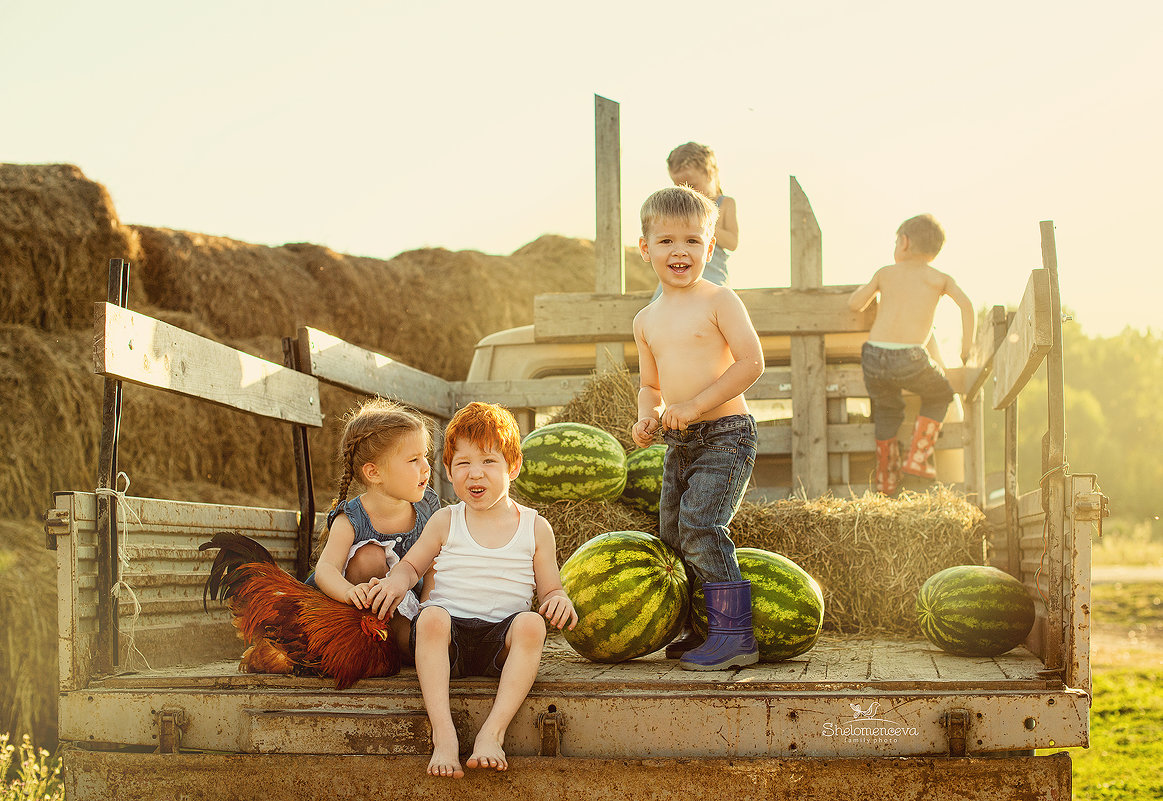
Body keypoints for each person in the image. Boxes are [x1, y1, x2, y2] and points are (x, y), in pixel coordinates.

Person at [373, 401, 577, 778]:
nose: (475, 473)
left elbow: (549, 590)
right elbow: (411, 565)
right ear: (449, 472)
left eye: (488, 461)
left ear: (512, 467)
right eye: (463, 464)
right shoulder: (445, 520)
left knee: (533, 625)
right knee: (431, 616)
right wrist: (395, 583)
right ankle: (444, 733)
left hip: (501, 642)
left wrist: (558, 601)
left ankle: (492, 733)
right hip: (448, 638)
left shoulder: (536, 527)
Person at [632, 185, 765, 671]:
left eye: (692, 240)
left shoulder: (720, 300)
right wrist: (649, 415)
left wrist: (695, 404)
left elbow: (751, 362)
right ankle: (698, 628)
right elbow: (650, 384)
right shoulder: (645, 320)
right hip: (679, 441)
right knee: (672, 532)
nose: (679, 251)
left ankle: (735, 636)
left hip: (727, 435)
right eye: (666, 241)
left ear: (710, 248)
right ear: (645, 249)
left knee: (702, 526)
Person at [847, 213, 975, 495]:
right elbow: (967, 306)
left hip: (874, 356)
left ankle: (885, 477)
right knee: (940, 394)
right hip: (910, 358)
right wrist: (966, 349)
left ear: (904, 242)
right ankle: (917, 460)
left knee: (887, 410)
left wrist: (871, 288)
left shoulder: (885, 273)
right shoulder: (939, 279)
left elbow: (855, 304)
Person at [310, 396, 440, 660]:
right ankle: (372, 649)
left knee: (428, 643)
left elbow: (435, 568)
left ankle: (403, 646)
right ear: (374, 473)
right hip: (357, 609)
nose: (426, 466)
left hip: (405, 606)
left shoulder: (428, 508)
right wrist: (348, 592)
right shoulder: (352, 518)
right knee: (369, 555)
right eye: (413, 459)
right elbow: (325, 569)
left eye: (425, 456)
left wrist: (428, 610)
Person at [651, 142, 739, 300]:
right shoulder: (679, 209)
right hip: (678, 275)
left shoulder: (726, 204)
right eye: (678, 187)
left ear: (710, 174)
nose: (686, 192)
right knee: (658, 307)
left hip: (711, 277)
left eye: (692, 185)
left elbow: (732, 243)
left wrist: (703, 226)